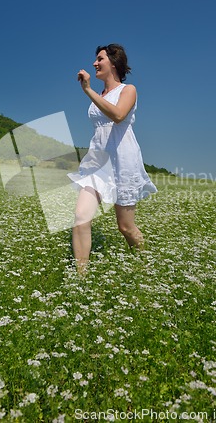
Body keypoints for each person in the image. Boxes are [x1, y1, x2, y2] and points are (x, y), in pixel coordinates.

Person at [68, 44, 157, 274]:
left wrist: (88, 90)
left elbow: (118, 116)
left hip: (122, 160)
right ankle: (80, 279)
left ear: (114, 63)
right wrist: (92, 92)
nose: (94, 64)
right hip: (97, 160)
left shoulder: (128, 90)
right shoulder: (101, 95)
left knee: (125, 227)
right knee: (80, 217)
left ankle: (146, 266)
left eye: (100, 59)